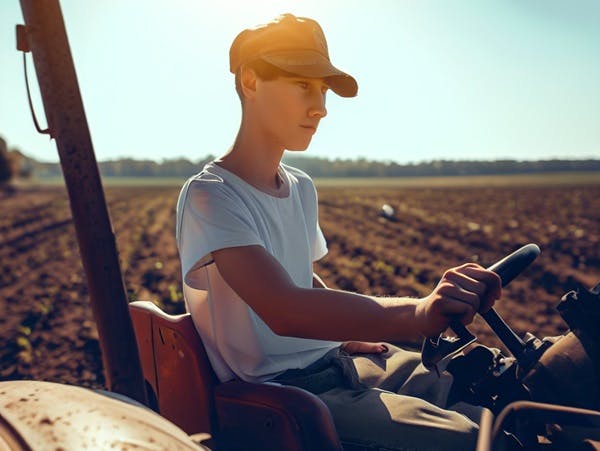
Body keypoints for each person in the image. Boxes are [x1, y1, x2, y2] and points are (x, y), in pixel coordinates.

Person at [176, 13, 506, 451]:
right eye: (303, 86)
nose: (321, 107)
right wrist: (416, 313)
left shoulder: (300, 186)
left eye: (323, 91)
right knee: (477, 440)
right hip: (284, 395)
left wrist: (343, 332)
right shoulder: (211, 196)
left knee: (493, 385)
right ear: (251, 80)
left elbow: (302, 281)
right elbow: (285, 308)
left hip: (338, 362)